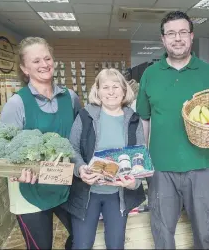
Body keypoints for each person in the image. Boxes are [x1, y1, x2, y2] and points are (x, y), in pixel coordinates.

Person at [136, 11, 209, 249]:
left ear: (191, 36)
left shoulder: (208, 72)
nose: (177, 38)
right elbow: (144, 120)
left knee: (206, 232)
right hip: (161, 170)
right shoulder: (150, 74)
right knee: (162, 233)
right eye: (170, 33)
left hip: (202, 168)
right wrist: (143, 158)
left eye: (182, 32)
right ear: (163, 39)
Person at [0, 37, 81, 249]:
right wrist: (16, 170)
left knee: (83, 237)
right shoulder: (17, 103)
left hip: (64, 183)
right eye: (36, 61)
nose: (44, 64)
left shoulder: (70, 97)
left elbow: (80, 136)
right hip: (29, 189)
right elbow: (4, 150)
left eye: (47, 58)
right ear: (24, 68)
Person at [62, 68, 146, 249]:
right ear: (97, 91)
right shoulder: (85, 116)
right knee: (82, 244)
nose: (110, 92)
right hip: (87, 193)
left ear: (124, 90)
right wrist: (81, 168)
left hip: (118, 195)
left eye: (116, 86)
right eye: (105, 87)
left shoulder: (133, 120)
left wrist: (134, 182)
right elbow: (72, 149)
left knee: (116, 245)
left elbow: (139, 155)